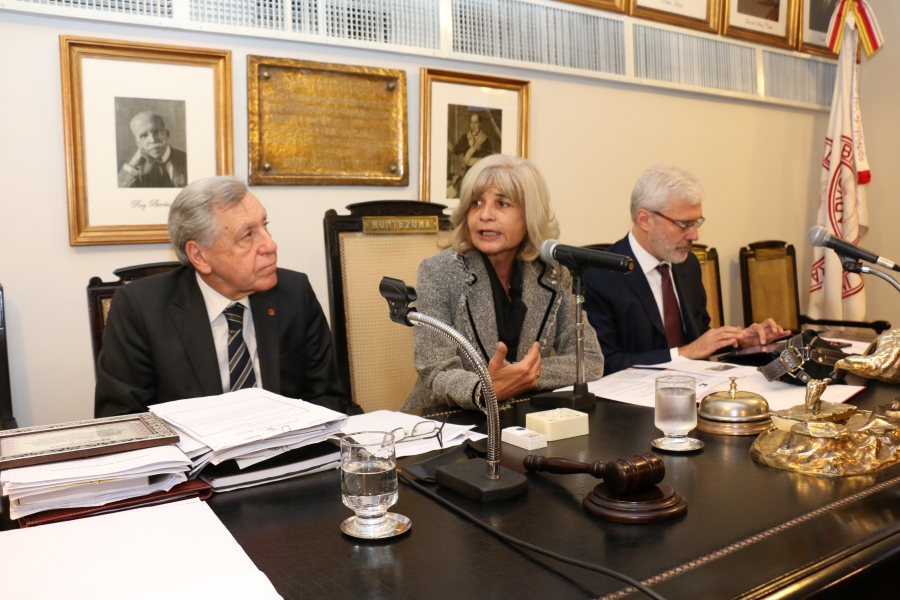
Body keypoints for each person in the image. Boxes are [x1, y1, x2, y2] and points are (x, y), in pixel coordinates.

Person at [95, 176, 349, 417]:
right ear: (199, 256)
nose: (270, 245)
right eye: (247, 235)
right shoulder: (141, 308)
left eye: (265, 226)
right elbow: (123, 419)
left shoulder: (294, 292)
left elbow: (327, 397)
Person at [404, 154, 603, 410]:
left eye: (502, 203)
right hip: (444, 420)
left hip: (522, 417)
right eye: (476, 203)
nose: (485, 215)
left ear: (530, 214)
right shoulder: (438, 272)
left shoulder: (554, 273)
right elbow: (435, 371)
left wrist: (525, 376)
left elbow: (589, 360)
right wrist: (486, 388)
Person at [583, 165, 787, 375]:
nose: (694, 236)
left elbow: (699, 339)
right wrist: (685, 353)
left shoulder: (687, 264)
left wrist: (740, 342)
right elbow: (604, 363)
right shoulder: (599, 276)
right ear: (645, 220)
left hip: (697, 385)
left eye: (696, 222)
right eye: (683, 224)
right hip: (634, 392)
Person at [118, 111, 188, 188]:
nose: (152, 140)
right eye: (144, 136)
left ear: (167, 134)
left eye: (157, 132)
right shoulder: (134, 171)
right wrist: (131, 165)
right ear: (138, 144)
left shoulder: (187, 159)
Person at [447, 113, 494, 198]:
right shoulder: (465, 137)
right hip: (467, 170)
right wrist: (468, 145)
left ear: (480, 124)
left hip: (480, 171)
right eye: (472, 122)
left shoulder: (485, 139)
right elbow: (456, 151)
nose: (473, 125)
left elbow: (489, 157)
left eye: (475, 122)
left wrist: (478, 148)